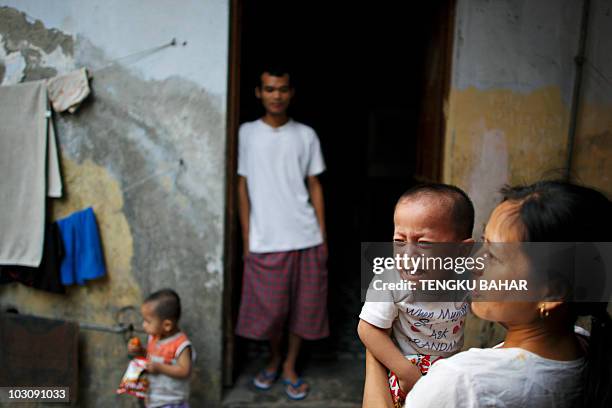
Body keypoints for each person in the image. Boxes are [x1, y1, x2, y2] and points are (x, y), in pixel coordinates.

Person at [363, 180, 612, 408]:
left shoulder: (461, 385)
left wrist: (374, 353)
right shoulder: (584, 346)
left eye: (493, 254)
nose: (475, 263)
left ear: (551, 293)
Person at [234, 65, 328, 400]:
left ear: (291, 93)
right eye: (270, 89)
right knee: (272, 313)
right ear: (259, 93)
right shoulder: (246, 133)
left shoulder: (306, 135)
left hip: (306, 237)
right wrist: (247, 238)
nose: (277, 96)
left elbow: (315, 185)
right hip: (265, 240)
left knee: (303, 311)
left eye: (283, 89)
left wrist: (323, 236)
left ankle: (289, 365)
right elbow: (242, 186)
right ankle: (274, 357)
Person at [358, 183, 475, 407]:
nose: (408, 255)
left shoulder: (465, 277)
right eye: (399, 241)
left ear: (461, 250)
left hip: (447, 370)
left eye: (424, 244)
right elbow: (368, 329)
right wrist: (406, 373)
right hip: (405, 368)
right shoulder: (389, 280)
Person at [128, 289, 194, 408]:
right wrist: (141, 351)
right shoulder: (153, 338)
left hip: (173, 402)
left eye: (148, 321)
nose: (143, 325)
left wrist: (159, 367)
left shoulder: (181, 345)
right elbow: (152, 357)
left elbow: (184, 371)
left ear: (167, 325)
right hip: (154, 399)